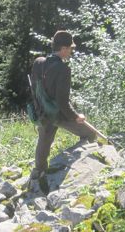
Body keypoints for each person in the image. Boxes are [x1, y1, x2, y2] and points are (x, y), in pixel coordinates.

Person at [29, 30, 97, 193]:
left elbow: (33, 88)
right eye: (71, 49)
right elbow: (62, 102)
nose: (71, 52)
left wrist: (39, 110)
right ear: (64, 48)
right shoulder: (63, 69)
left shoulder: (38, 62)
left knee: (44, 142)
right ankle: (79, 169)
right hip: (59, 114)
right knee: (90, 135)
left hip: (42, 112)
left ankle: (38, 173)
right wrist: (76, 116)